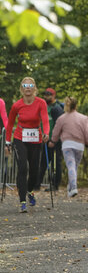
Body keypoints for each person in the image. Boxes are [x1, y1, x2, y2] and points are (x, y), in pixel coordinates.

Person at [4, 78, 50, 212]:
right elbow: (10, 124)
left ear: (34, 87)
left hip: (36, 138)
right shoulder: (17, 105)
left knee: (35, 170)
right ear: (22, 88)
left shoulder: (41, 103)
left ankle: (30, 191)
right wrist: (8, 142)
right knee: (23, 168)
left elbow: (45, 120)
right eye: (25, 85)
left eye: (30, 85)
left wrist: (46, 133)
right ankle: (22, 200)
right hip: (20, 138)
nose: (27, 87)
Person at [48, 97, 88, 197]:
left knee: (71, 166)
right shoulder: (83, 118)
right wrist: (87, 141)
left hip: (67, 145)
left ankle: (73, 187)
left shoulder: (62, 118)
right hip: (79, 145)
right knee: (74, 166)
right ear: (76, 105)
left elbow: (56, 131)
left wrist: (53, 141)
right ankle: (70, 188)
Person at [37, 88, 64, 191]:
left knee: (56, 162)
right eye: (45, 94)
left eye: (49, 95)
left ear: (53, 96)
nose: (46, 96)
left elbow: (59, 125)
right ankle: (37, 183)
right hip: (46, 139)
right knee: (44, 161)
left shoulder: (57, 108)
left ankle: (55, 184)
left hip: (55, 139)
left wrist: (54, 139)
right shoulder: (45, 107)